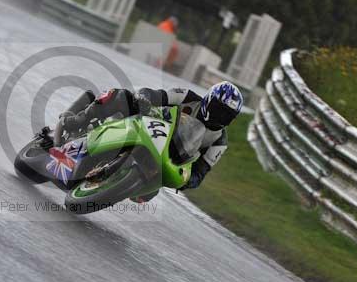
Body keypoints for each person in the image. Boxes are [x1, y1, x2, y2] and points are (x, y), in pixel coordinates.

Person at [57, 82, 244, 201]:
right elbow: (155, 94)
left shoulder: (220, 141)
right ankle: (79, 119)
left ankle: (108, 185)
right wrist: (145, 99)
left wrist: (187, 181)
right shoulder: (188, 97)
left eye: (227, 115)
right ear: (209, 100)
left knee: (145, 195)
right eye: (219, 109)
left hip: (167, 157)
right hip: (149, 123)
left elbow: (200, 173)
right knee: (120, 96)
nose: (221, 117)